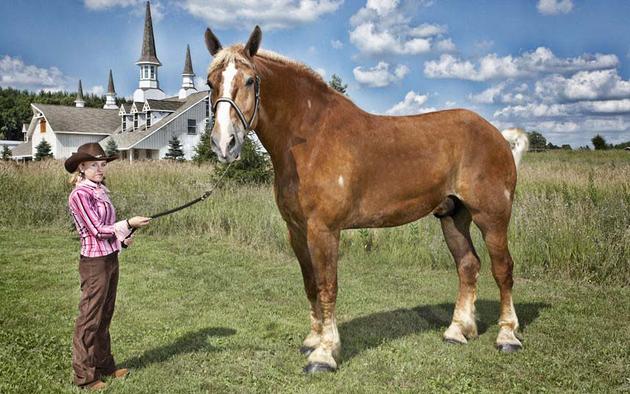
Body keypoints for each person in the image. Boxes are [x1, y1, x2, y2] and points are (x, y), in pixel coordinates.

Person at [64, 143, 151, 390]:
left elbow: (109, 230)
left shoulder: (101, 190)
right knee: (89, 318)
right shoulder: (79, 195)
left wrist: (123, 238)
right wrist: (127, 223)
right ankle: (85, 376)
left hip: (110, 257)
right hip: (94, 263)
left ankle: (105, 365)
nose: (100, 169)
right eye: (94, 165)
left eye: (102, 164)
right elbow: (96, 230)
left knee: (105, 314)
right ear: (82, 167)